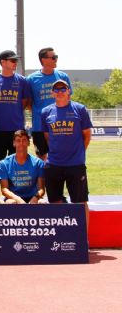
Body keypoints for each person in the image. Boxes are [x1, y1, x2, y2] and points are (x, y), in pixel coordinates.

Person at [41, 79, 93, 227]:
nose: (59, 92)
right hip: (54, 164)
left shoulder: (80, 109)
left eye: (62, 89)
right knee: (55, 201)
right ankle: (59, 236)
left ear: (68, 90)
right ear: (52, 93)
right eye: (56, 90)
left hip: (75, 164)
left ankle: (83, 239)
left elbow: (87, 135)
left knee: (80, 202)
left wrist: (78, 152)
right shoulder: (46, 112)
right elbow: (47, 137)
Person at [26, 47, 72, 160]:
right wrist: (41, 114)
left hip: (59, 124)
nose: (56, 60)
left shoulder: (63, 77)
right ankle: (43, 178)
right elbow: (28, 103)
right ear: (43, 60)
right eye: (53, 57)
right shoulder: (31, 79)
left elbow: (68, 99)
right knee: (41, 157)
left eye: (56, 57)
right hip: (39, 125)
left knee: (61, 155)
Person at [0, 50, 32, 163]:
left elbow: (25, 101)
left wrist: (14, 112)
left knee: (18, 162)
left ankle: (14, 182)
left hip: (17, 129)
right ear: (2, 62)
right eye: (12, 60)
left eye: (16, 60)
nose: (15, 62)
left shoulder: (22, 81)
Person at [0, 130, 46, 204]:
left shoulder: (38, 163)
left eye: (24, 140)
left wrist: (35, 197)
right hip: (14, 197)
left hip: (33, 196)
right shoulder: (4, 163)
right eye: (18, 141)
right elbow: (4, 189)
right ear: (14, 143)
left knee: (42, 202)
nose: (21, 143)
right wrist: (18, 199)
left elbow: (41, 189)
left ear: (28, 143)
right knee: (10, 202)